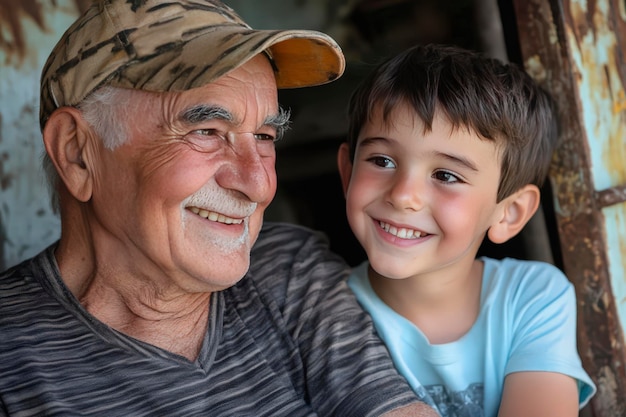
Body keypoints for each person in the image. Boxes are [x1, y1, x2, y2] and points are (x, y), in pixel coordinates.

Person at [0, 1, 439, 416]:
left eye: (265, 137)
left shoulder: (285, 267)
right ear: (77, 153)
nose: (258, 183)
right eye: (207, 131)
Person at [337, 44, 597, 417]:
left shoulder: (530, 297)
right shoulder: (325, 311)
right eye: (382, 160)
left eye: (446, 175)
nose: (404, 196)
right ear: (347, 172)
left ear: (508, 213)